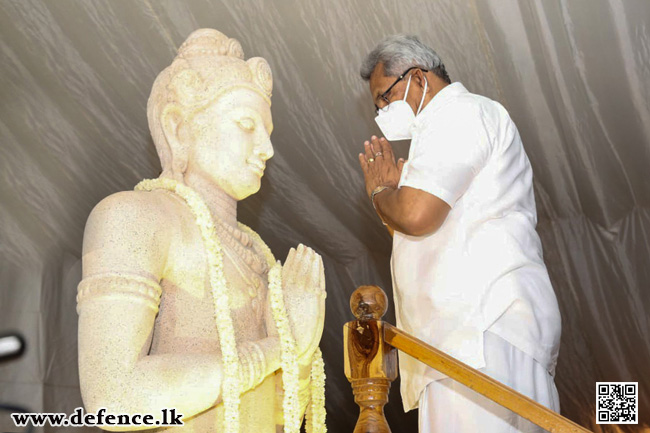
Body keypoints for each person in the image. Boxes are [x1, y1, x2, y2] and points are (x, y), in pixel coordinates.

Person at [76, 29, 325, 433]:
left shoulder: (260, 260)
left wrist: (299, 348)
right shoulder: (135, 218)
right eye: (246, 124)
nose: (266, 148)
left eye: (268, 132)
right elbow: (113, 397)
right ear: (178, 128)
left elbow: (281, 418)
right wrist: (276, 350)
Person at [357, 34, 562, 433]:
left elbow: (417, 216)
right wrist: (394, 202)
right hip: (467, 337)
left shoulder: (459, 114)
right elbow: (423, 235)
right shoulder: (438, 136)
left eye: (384, 97)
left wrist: (382, 192)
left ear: (417, 78)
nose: (381, 111)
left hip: (480, 329)